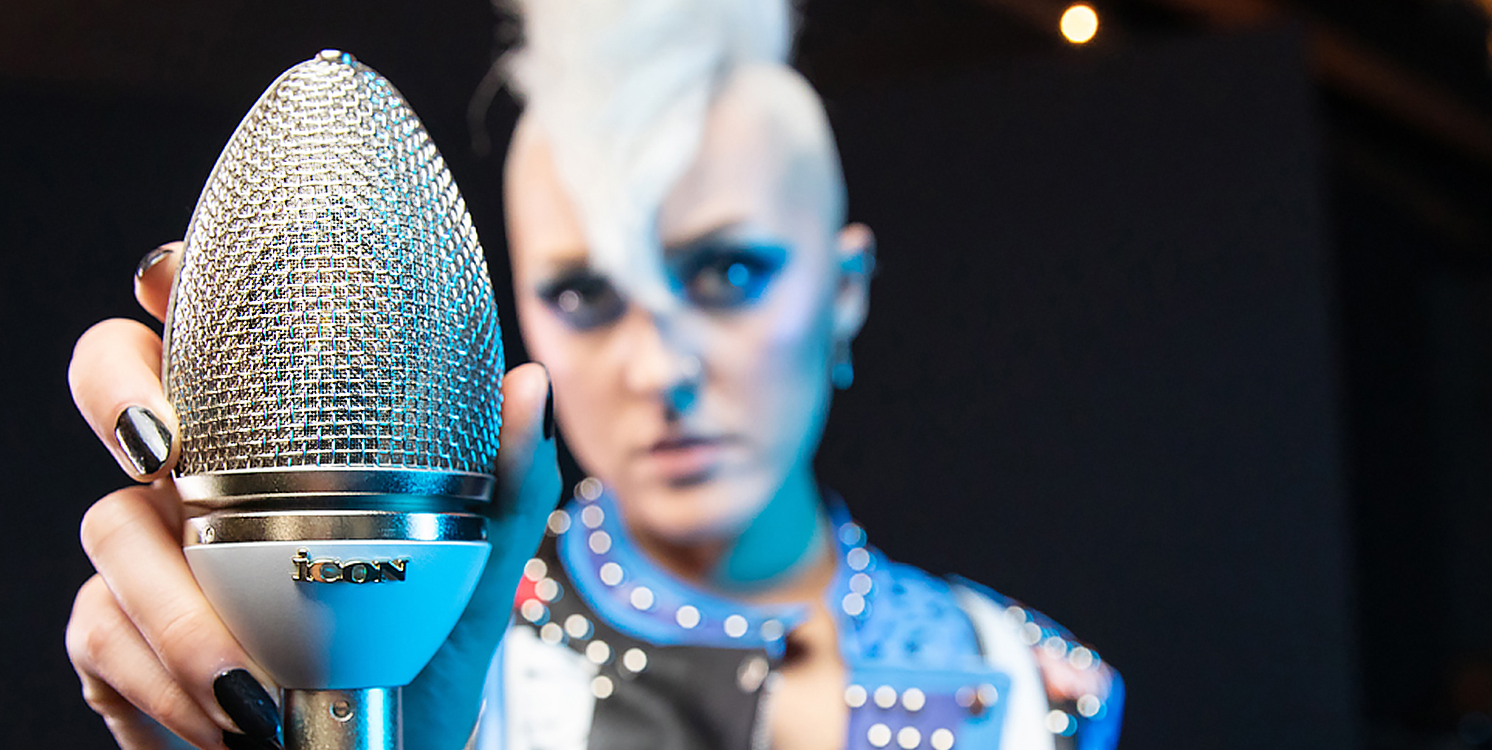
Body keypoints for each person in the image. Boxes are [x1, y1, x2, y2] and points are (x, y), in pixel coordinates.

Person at [64, 1, 1123, 748]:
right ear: (514, 309)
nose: (659, 368)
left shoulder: (1025, 687)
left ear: (844, 289)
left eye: (729, 273)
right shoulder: (438, 665)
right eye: (585, 295)